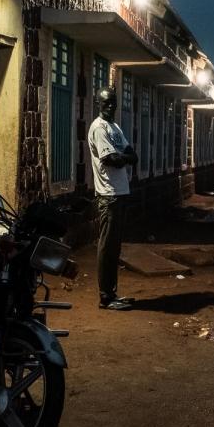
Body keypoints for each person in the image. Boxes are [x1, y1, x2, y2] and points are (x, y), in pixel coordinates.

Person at [88, 87, 138, 311]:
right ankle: (105, 297)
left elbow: (131, 156)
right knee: (107, 247)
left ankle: (112, 292)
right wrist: (125, 157)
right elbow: (112, 160)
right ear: (98, 104)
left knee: (114, 247)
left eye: (113, 102)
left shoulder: (115, 128)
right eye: (106, 102)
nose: (110, 106)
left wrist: (124, 157)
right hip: (108, 195)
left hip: (120, 194)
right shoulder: (99, 128)